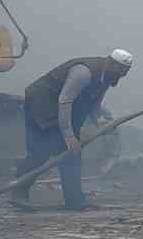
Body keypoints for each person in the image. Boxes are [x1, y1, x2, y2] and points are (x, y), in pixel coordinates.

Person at [10, 49, 134, 210]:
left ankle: (74, 200)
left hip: (64, 109)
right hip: (42, 105)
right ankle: (18, 192)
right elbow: (65, 100)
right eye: (119, 72)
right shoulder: (83, 72)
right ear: (110, 63)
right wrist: (68, 135)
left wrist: (101, 122)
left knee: (73, 154)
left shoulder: (107, 77)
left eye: (124, 73)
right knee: (40, 152)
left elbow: (94, 104)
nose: (120, 77)